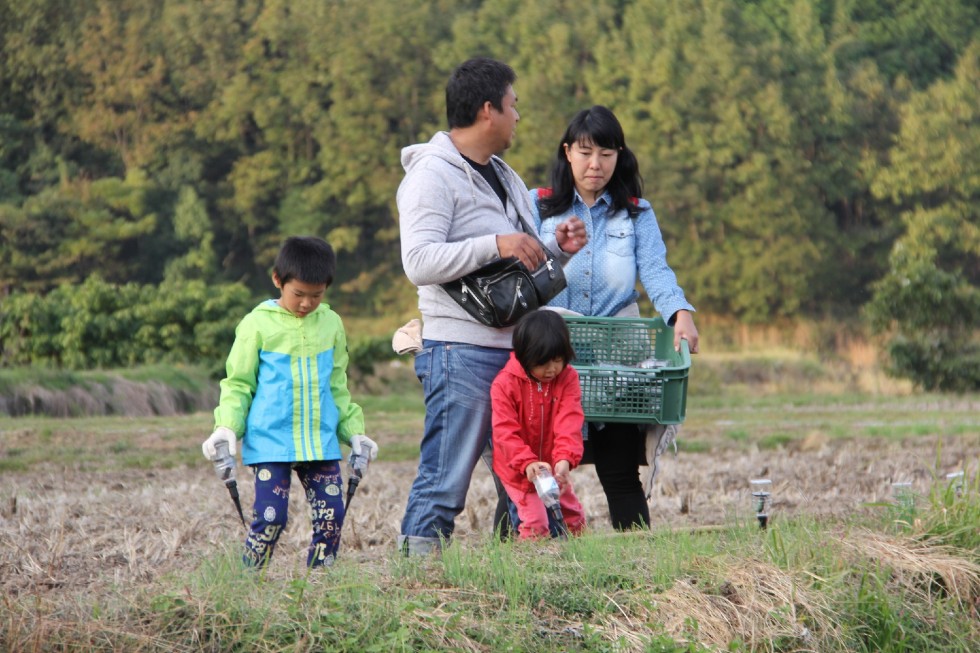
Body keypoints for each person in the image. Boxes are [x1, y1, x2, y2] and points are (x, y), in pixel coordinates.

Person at [396, 57, 588, 555]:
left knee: (525, 480)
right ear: (488, 110)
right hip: (459, 350)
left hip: (514, 352)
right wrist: (497, 244)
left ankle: (518, 581)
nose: (518, 116)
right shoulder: (431, 176)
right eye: (513, 105)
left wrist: (555, 247)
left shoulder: (503, 174)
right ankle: (417, 589)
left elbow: (512, 263)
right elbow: (418, 261)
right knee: (445, 481)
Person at [530, 105, 700, 531]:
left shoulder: (637, 212)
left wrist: (680, 312)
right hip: (551, 354)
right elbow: (521, 273)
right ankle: (516, 563)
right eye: (585, 152)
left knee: (621, 470)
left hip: (618, 356)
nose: (595, 164)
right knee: (534, 470)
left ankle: (638, 570)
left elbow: (656, 271)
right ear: (567, 153)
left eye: (607, 153)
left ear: (619, 156)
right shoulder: (538, 206)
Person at [201, 236, 379, 568]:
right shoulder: (256, 325)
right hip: (271, 441)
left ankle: (320, 586)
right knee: (270, 519)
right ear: (277, 280)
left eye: (317, 295)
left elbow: (337, 385)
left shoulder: (332, 325)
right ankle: (248, 584)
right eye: (298, 294)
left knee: (331, 519)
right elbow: (238, 384)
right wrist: (226, 427)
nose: (307, 303)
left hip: (320, 442)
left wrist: (354, 432)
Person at [491, 310, 586, 540]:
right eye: (543, 363)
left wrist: (564, 458)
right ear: (525, 356)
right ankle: (530, 564)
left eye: (558, 360)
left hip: (553, 469)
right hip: (519, 472)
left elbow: (569, 421)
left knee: (574, 517)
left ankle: (577, 558)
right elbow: (505, 432)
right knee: (536, 523)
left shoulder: (567, 378)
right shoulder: (504, 384)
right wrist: (527, 463)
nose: (552, 369)